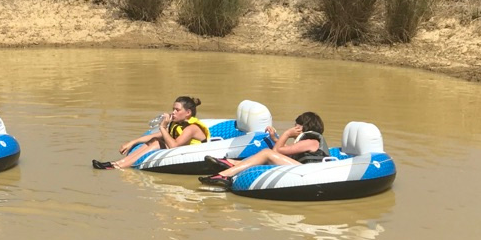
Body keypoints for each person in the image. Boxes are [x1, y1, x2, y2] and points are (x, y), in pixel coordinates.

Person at [199, 111, 329, 189]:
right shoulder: (308, 142)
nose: (294, 127)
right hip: (302, 168)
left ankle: (226, 174)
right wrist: (274, 138)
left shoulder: (310, 141)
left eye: (296, 125)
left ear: (303, 127)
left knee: (267, 153)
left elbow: (276, 152)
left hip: (307, 172)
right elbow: (285, 150)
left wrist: (287, 133)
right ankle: (233, 164)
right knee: (267, 154)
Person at [92, 96, 210, 170]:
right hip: (181, 151)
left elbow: (173, 146)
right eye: (173, 109)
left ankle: (119, 166)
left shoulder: (191, 128)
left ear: (188, 113)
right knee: (155, 140)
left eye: (177, 110)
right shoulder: (178, 124)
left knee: (157, 143)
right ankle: (117, 163)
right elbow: (158, 135)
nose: (173, 112)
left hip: (195, 157)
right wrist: (133, 142)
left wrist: (163, 127)